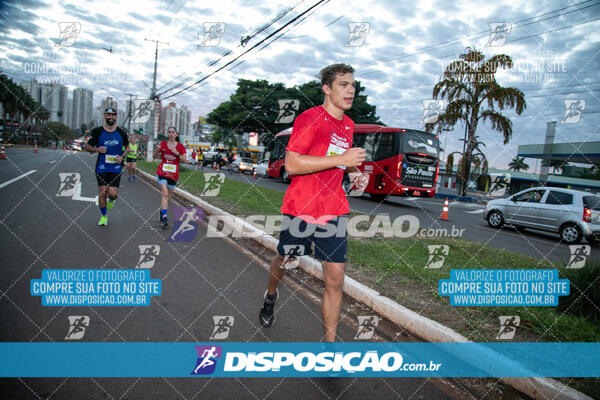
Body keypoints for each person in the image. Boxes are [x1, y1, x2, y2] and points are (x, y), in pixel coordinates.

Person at [258, 64, 368, 342]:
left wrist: (355, 173)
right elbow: (292, 165)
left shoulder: (348, 124)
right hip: (302, 208)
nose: (351, 89)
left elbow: (337, 158)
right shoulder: (310, 118)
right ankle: (271, 294)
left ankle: (329, 347)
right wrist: (343, 160)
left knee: (335, 280)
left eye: (353, 84)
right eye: (343, 84)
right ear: (327, 89)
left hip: (334, 210)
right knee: (283, 261)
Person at [85, 107, 129, 226]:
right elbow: (87, 147)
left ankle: (111, 200)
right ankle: (104, 216)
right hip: (101, 167)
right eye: (108, 115)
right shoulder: (97, 132)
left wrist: (122, 156)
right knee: (102, 192)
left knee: (113, 194)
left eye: (113, 115)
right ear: (104, 116)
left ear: (116, 117)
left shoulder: (121, 132)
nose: (110, 117)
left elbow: (128, 147)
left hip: (116, 168)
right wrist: (97, 149)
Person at [154, 126, 189, 226]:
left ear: (176, 134)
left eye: (173, 132)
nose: (171, 134)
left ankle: (162, 210)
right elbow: (155, 157)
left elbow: (186, 160)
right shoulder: (163, 144)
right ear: (167, 134)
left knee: (168, 197)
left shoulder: (180, 147)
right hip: (162, 173)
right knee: (164, 194)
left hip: (173, 175)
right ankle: (164, 217)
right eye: (169, 132)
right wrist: (157, 151)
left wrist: (176, 153)